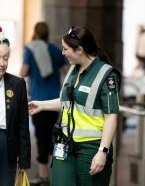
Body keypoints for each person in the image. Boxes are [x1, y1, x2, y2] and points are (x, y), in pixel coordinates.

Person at [28, 26, 121, 186]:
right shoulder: (73, 69)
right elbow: (68, 102)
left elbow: (111, 116)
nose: (62, 53)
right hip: (65, 144)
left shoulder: (106, 75)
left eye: (66, 49)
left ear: (79, 50)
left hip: (91, 148)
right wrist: (41, 105)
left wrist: (102, 152)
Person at [20, 21, 68, 185]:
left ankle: (42, 176)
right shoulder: (55, 50)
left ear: (35, 33)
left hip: (38, 101)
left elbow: (24, 72)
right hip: (55, 100)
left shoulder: (30, 50)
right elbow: (67, 72)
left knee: (41, 137)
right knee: (51, 135)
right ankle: (51, 171)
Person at [0, 26, 31, 186]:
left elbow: (23, 125)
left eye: (6, 58)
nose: (2, 63)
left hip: (7, 143)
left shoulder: (17, 84)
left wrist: (24, 161)